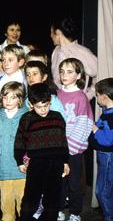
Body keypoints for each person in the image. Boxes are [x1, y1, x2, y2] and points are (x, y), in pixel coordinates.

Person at [14, 83, 70, 221]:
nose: (44, 110)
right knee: (31, 197)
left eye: (46, 105)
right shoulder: (27, 118)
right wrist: (19, 160)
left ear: (50, 102)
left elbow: (63, 141)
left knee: (53, 198)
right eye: (39, 107)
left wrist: (65, 162)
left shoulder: (57, 117)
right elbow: (19, 140)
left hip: (56, 163)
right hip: (37, 164)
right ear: (31, 104)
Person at [57, 58, 93, 221]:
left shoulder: (80, 97)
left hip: (73, 149)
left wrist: (70, 147)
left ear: (78, 75)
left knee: (74, 183)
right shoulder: (56, 94)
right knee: (58, 181)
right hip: (58, 147)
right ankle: (57, 209)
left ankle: (75, 212)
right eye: (62, 71)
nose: (65, 74)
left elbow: (84, 123)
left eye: (70, 71)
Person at [0, 82, 28, 221]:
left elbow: (30, 141)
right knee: (6, 203)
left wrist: (27, 159)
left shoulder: (26, 116)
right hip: (3, 166)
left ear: (19, 99)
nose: (8, 101)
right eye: (5, 97)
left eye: (13, 97)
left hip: (21, 167)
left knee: (23, 201)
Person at [50, 17, 97, 100]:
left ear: (58, 32)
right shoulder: (56, 51)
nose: (50, 35)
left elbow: (98, 71)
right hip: (58, 101)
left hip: (76, 102)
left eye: (51, 32)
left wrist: (89, 94)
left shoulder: (81, 52)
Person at [90, 78, 113, 221]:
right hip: (104, 156)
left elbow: (108, 140)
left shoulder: (110, 117)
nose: (96, 97)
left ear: (104, 96)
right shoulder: (107, 112)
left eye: (97, 95)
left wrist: (95, 129)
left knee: (102, 192)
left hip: (108, 156)